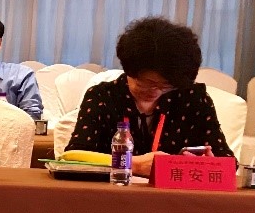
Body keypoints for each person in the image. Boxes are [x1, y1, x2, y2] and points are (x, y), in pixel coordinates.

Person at [66, 16, 234, 177]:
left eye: (166, 85)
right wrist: (134, 164)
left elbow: (228, 161)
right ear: (130, 70)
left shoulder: (193, 99)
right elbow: (73, 158)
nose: (156, 91)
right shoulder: (102, 97)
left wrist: (209, 164)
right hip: (115, 192)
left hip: (173, 194)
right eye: (147, 83)